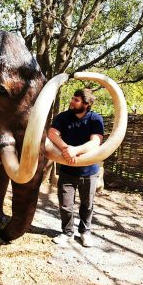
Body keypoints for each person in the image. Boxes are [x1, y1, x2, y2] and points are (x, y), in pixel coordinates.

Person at [48, 88, 104, 247]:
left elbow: (95, 142)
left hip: (89, 171)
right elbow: (52, 134)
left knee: (87, 205)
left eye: (76, 100)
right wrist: (67, 148)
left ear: (86, 104)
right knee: (65, 205)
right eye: (72, 98)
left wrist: (75, 150)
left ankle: (85, 233)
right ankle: (67, 233)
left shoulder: (95, 119)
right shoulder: (64, 117)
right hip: (67, 169)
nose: (72, 101)